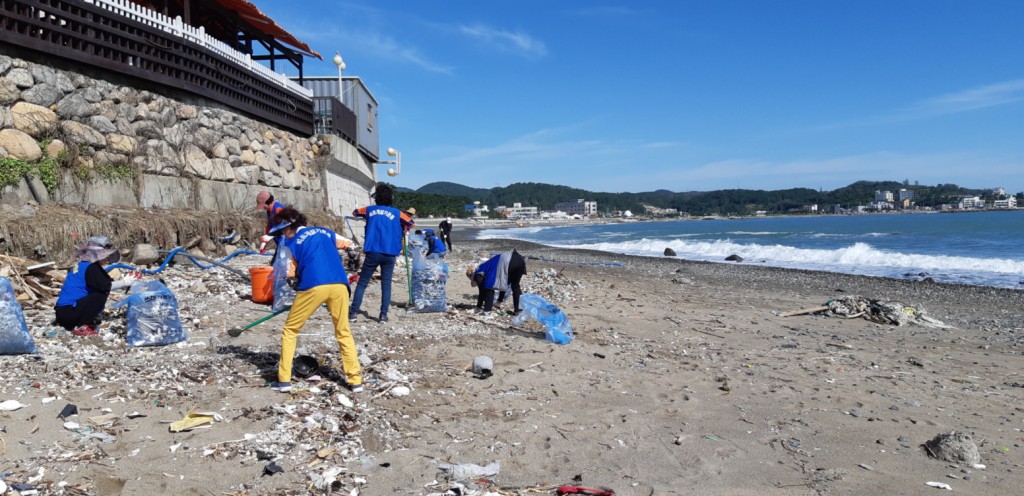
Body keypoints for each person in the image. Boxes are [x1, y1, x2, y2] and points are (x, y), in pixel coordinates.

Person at [265, 207, 363, 393]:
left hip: (313, 285)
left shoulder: (290, 243)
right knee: (343, 331)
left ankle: (284, 380)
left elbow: (288, 271)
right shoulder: (326, 231)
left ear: (289, 227)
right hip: (340, 285)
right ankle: (355, 380)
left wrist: (293, 283)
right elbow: (350, 245)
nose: (283, 233)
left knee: (290, 330)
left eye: (283, 230)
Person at [349, 184, 414, 323]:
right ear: (391, 198)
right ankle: (383, 315)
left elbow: (355, 212)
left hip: (373, 251)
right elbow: (410, 222)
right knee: (386, 284)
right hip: (390, 252)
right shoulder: (398, 213)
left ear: (376, 197)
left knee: (362, 283)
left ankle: (353, 312)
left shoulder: (368, 210)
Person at [54, 236, 139, 336]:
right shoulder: (90, 267)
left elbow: (104, 282)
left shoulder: (84, 265)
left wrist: (125, 282)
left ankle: (82, 320)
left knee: (98, 292)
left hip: (63, 313)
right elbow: (104, 286)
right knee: (99, 294)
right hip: (68, 312)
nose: (107, 257)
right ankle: (83, 326)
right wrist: (125, 282)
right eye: (104, 254)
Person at [466, 249, 526, 315]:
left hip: (507, 259)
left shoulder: (478, 273)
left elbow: (482, 292)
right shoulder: (487, 266)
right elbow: (503, 286)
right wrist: (499, 302)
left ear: (471, 275)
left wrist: (478, 307)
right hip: (520, 260)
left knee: (489, 286)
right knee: (516, 286)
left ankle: (487, 311)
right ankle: (518, 310)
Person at [256, 191, 286, 260]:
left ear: (268, 202)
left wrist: (271, 235)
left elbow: (286, 227)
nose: (263, 208)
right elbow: (270, 225)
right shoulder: (269, 210)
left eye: (263, 206)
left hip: (287, 243)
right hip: (280, 243)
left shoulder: (278, 209)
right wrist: (265, 242)